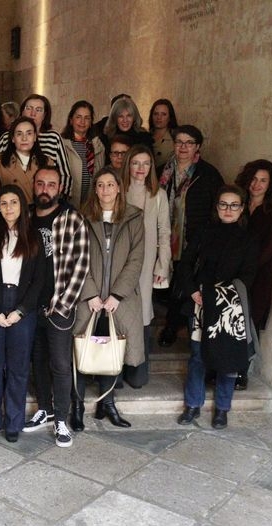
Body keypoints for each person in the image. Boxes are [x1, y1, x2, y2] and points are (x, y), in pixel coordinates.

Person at [176, 185, 258, 430]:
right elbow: (186, 264)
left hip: (229, 308)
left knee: (228, 360)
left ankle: (222, 409)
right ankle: (193, 404)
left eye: (234, 205)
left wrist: (220, 294)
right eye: (224, 204)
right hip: (201, 303)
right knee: (198, 356)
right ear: (217, 207)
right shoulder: (204, 232)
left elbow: (248, 276)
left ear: (242, 208)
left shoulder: (248, 239)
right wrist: (192, 291)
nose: (228, 209)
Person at [73, 166, 144, 430]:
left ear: (119, 188)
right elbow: (76, 257)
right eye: (100, 185)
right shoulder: (81, 216)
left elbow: (136, 259)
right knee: (81, 348)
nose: (105, 190)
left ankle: (108, 403)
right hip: (87, 297)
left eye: (110, 185)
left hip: (119, 298)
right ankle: (77, 405)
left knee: (111, 348)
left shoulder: (134, 218)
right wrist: (89, 292)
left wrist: (116, 294)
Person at [24, 166, 89, 448]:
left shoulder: (71, 218)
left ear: (60, 188)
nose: (45, 189)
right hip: (30, 304)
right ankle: (45, 409)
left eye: (51, 184)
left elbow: (81, 264)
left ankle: (62, 418)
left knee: (61, 364)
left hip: (58, 305)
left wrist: (63, 304)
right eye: (40, 183)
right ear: (33, 185)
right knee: (37, 359)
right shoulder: (25, 216)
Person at [0, 184, 45, 442]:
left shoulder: (34, 236)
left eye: (13, 202)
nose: (8, 208)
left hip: (22, 306)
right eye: (3, 203)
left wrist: (21, 311)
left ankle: (13, 423)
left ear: (22, 205)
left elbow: (39, 279)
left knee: (17, 368)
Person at [157, 125, 224, 347]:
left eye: (189, 143)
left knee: (181, 284)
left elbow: (217, 209)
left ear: (197, 147)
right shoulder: (163, 171)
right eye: (179, 142)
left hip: (193, 238)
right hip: (165, 235)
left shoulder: (208, 174)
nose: (183, 147)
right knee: (169, 280)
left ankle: (171, 326)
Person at [121, 145, 171, 388]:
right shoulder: (118, 191)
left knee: (141, 312)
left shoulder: (158, 195)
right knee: (118, 310)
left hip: (147, 261)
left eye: (146, 163)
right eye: (136, 163)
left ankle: (137, 370)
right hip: (120, 262)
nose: (141, 168)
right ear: (128, 164)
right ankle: (114, 369)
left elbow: (165, 232)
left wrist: (163, 265)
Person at [234, 159, 272, 389]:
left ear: (270, 184)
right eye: (254, 178)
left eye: (263, 180)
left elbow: (270, 248)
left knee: (249, 322)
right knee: (228, 321)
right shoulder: (237, 204)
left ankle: (242, 371)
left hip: (257, 277)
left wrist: (247, 270)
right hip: (230, 272)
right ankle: (222, 366)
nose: (257, 184)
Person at [0, 94, 71, 197]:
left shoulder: (53, 137)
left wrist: (60, 199)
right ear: (22, 111)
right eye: (28, 108)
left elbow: (64, 173)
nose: (32, 113)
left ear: (45, 115)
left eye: (38, 110)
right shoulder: (6, 137)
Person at [0, 117, 48, 203]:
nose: (24, 138)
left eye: (29, 133)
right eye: (19, 134)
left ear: (35, 137)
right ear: (13, 138)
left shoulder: (47, 161)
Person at [62, 100, 106, 208]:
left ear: (91, 122)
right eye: (78, 117)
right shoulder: (62, 144)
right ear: (71, 120)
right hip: (68, 202)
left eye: (87, 118)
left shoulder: (98, 145)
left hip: (91, 204)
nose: (82, 122)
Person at [148, 99, 179, 169]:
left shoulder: (176, 138)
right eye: (156, 114)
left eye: (163, 114)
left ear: (170, 117)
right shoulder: (144, 136)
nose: (159, 117)